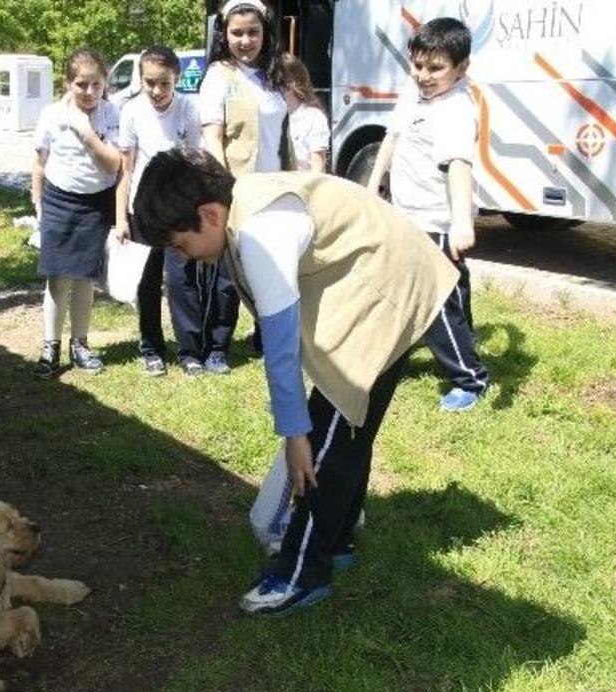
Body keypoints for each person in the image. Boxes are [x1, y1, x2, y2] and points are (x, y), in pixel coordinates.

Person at [133, 147, 458, 616]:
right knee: (348, 432)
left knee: (325, 444)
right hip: (389, 278)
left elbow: (280, 348)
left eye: (180, 245)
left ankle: (301, 572)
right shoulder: (238, 211)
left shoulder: (261, 234)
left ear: (208, 214)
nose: (184, 259)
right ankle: (338, 538)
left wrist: (294, 434)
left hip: (391, 287)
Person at [365, 17, 490, 411]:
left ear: (461, 67)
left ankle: (470, 379)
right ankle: (456, 344)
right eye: (418, 65)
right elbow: (392, 136)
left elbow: (458, 167)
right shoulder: (415, 92)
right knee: (452, 287)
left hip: (435, 220)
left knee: (434, 301)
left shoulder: (455, 108)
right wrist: (373, 185)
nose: (423, 75)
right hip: (408, 213)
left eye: (436, 68)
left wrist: (460, 222)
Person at [194, 0, 294, 365]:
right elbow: (212, 139)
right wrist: (226, 189)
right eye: (237, 33)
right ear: (225, 34)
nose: (246, 40)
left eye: (253, 32)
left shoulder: (274, 74)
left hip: (274, 187)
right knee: (227, 271)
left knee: (270, 266)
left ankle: (265, 335)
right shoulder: (219, 76)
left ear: (265, 34)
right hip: (236, 189)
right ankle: (217, 347)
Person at [115, 45, 205, 377]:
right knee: (148, 282)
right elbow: (125, 170)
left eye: (164, 83)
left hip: (179, 210)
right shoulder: (131, 111)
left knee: (182, 281)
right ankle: (152, 347)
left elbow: (196, 162)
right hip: (144, 210)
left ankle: (190, 350)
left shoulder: (189, 109)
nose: (156, 90)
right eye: (149, 82)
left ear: (176, 79)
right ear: (141, 79)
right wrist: (120, 217)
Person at [31, 49, 122, 377]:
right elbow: (40, 163)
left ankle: (80, 344)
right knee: (58, 277)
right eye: (81, 84)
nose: (89, 92)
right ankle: (50, 346)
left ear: (105, 83)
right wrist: (37, 202)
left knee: (85, 276)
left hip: (96, 203)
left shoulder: (113, 114)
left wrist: (85, 131)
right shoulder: (51, 114)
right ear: (67, 83)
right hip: (58, 201)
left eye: (96, 84)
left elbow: (115, 163)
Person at [280, 53, 329, 172]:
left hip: (302, 185)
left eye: (276, 80)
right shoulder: (272, 116)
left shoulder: (314, 117)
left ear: (292, 83)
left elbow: (317, 167)